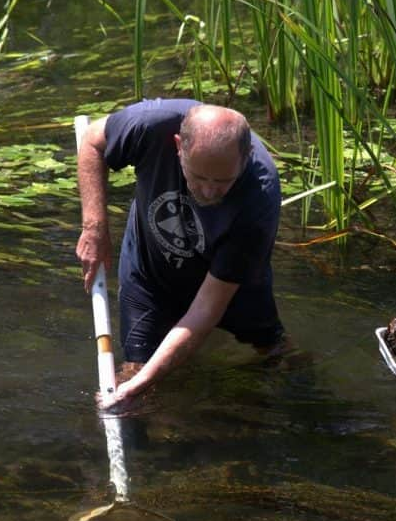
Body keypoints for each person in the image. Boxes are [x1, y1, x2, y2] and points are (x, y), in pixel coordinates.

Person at [75, 98, 286, 410]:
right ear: (178, 147)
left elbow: (204, 312)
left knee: (277, 355)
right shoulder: (150, 125)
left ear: (246, 158)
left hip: (231, 285)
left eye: (223, 181)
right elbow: (93, 141)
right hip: (151, 268)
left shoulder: (260, 198)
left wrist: (146, 380)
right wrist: (95, 227)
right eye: (199, 177)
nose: (209, 191)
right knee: (134, 374)